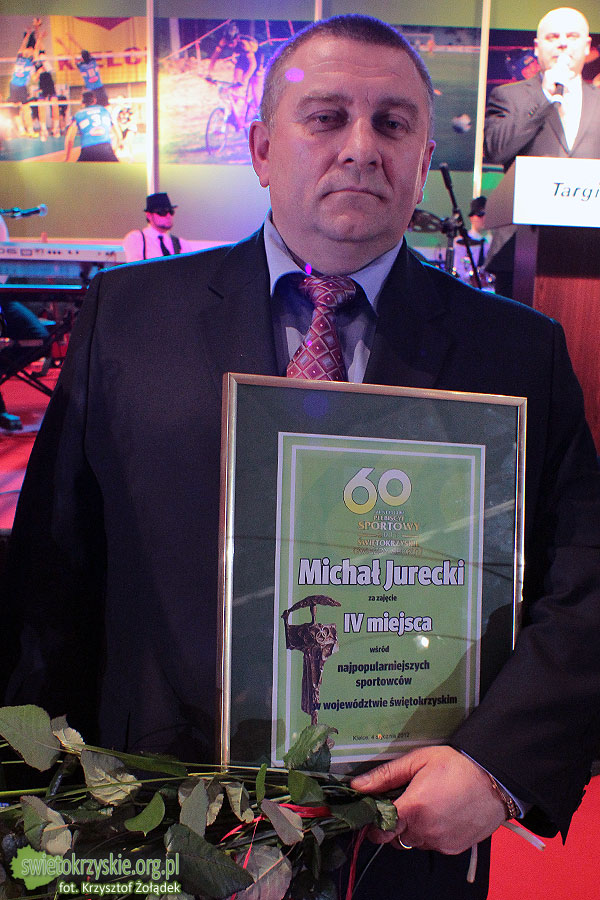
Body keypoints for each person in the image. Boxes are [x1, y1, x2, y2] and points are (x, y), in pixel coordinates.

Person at [2, 15, 600, 900]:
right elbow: (53, 574)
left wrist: (497, 766)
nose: (360, 147)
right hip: (154, 816)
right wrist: (33, 794)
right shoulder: (127, 318)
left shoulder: (518, 352)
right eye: (326, 117)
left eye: (392, 123)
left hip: (405, 836)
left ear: (422, 156)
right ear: (261, 149)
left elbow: (585, 579)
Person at [484, 7, 600, 296]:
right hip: (520, 250)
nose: (562, 43)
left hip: (591, 253)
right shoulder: (509, 95)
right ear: (537, 47)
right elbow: (496, 149)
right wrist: (546, 97)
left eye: (572, 36)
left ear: (587, 46)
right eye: (553, 37)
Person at [122, 193, 195, 262]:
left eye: (171, 212)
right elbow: (136, 268)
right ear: (149, 215)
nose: (168, 216)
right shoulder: (137, 238)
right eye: (162, 212)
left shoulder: (182, 244)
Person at [63, 91, 119, 162]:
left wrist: (67, 158)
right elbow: (118, 135)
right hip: (106, 148)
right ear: (95, 100)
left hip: (88, 150)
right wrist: (113, 151)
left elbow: (70, 139)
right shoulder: (105, 111)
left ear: (82, 102)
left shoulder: (78, 114)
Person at [452, 196, 491, 287]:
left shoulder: (494, 242)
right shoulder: (461, 242)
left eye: (487, 214)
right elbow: (458, 270)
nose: (484, 218)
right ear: (471, 217)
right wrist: (471, 278)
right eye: (480, 214)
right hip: (467, 286)